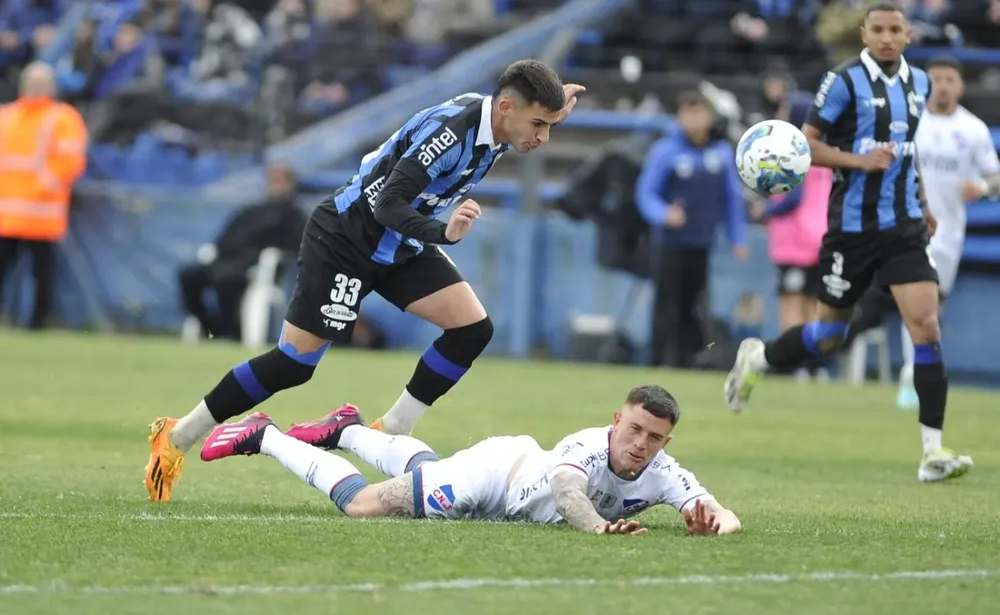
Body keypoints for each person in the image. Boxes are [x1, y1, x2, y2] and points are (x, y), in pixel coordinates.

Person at [145, 59, 585, 502]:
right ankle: (177, 435)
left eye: (549, 127)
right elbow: (387, 204)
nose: (542, 138)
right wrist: (443, 233)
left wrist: (551, 109)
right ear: (506, 108)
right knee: (293, 365)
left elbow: (519, 116)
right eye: (539, 125)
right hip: (347, 239)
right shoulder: (451, 134)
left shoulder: (502, 121)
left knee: (472, 328)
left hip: (399, 244)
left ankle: (390, 431)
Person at [723, 3, 973, 483]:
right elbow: (805, 146)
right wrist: (860, 162)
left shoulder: (919, 83)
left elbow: (908, 151)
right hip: (852, 229)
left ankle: (933, 452)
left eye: (895, 29)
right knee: (829, 336)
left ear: (908, 34)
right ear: (864, 33)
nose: (886, 37)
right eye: (878, 29)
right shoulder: (841, 82)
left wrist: (923, 201)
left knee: (926, 326)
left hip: (904, 225)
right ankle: (760, 357)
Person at [200, 384, 742, 536]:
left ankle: (347, 430)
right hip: (493, 478)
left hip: (510, 467)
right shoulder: (588, 445)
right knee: (363, 505)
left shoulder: (664, 472)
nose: (640, 443)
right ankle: (265, 435)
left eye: (654, 437)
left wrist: (714, 527)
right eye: (634, 428)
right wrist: (600, 529)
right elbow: (568, 493)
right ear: (616, 420)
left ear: (666, 441)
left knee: (424, 475)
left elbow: (723, 513)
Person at [844, 56, 1000, 409]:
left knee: (932, 308)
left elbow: (995, 177)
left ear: (960, 86)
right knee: (914, 297)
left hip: (949, 232)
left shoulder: (973, 129)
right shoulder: (909, 122)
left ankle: (918, 371)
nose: (942, 86)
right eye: (936, 79)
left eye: (949, 80)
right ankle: (911, 375)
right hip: (906, 225)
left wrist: (980, 187)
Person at [635, 90, 748, 368]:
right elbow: (646, 193)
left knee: (694, 302)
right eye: (688, 113)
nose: (694, 120)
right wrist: (664, 213)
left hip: (702, 240)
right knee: (666, 302)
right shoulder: (665, 150)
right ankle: (658, 359)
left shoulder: (721, 153)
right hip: (669, 241)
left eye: (699, 113)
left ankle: (686, 360)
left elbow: (731, 199)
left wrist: (738, 238)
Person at [749, 91, 833, 382]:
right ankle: (816, 365)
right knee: (814, 306)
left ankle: (796, 365)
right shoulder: (823, 149)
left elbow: (792, 197)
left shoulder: (791, 151)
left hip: (795, 242)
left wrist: (765, 210)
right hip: (821, 237)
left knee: (791, 303)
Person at [0, 61, 88, 330]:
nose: (34, 88)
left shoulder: (63, 117)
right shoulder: (7, 115)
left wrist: (40, 187)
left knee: (43, 272)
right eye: (31, 82)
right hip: (6, 214)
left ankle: (40, 321)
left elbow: (70, 161)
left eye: (40, 83)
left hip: (41, 213)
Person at [178, 163, 306, 341]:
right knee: (188, 276)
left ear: (290, 184)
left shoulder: (294, 215)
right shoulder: (250, 210)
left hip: (254, 266)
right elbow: (223, 238)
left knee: (225, 279)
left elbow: (295, 246)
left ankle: (233, 330)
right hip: (225, 261)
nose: (275, 185)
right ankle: (211, 327)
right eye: (272, 180)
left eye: (280, 181)